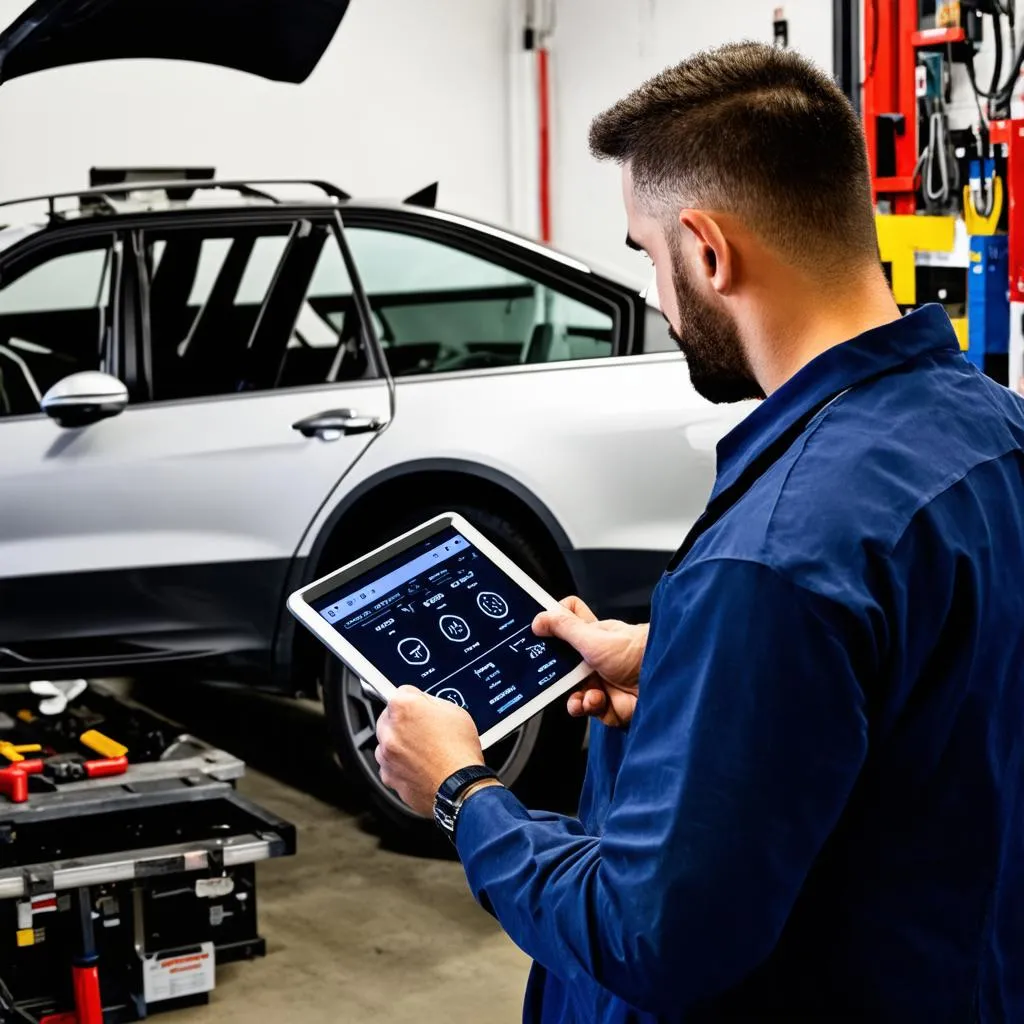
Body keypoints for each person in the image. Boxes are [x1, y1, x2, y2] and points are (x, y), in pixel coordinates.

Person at [375, 41, 1024, 1022]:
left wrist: (461, 790)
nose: (654, 295)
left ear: (709, 251)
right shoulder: (993, 431)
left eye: (647, 254)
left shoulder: (774, 555)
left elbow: (651, 933)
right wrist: (681, 661)